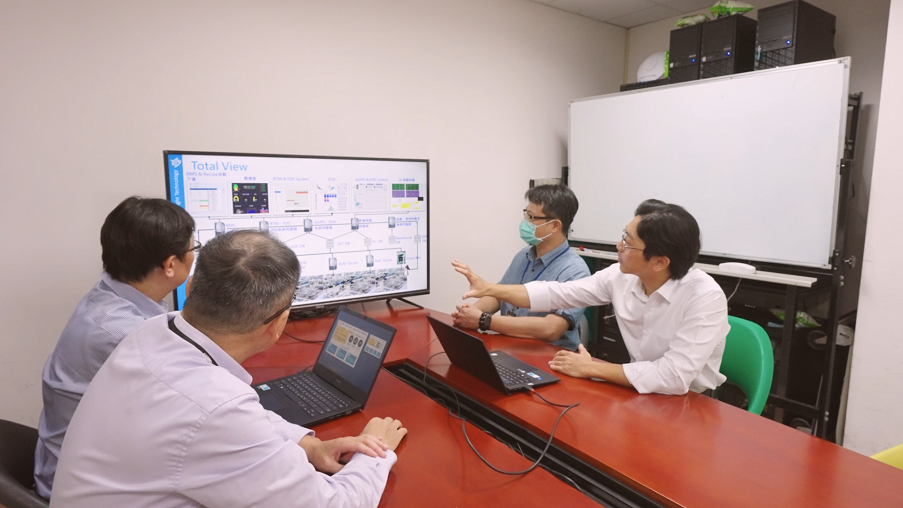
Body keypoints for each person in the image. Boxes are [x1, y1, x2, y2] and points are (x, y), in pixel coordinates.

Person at [50, 230, 407, 508]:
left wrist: (308, 445)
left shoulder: (152, 332)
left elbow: (233, 422)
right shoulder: (214, 407)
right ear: (278, 323)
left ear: (191, 286)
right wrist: (374, 453)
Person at [453, 199, 729, 395]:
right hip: (636, 387)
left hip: (691, 400)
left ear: (659, 262)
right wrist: (490, 288)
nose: (618, 246)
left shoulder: (704, 297)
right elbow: (558, 293)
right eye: (623, 236)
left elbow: (674, 376)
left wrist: (591, 368)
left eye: (628, 242)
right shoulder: (619, 276)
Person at [34, 196, 196, 499]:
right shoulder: (126, 334)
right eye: (192, 249)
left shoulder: (108, 296)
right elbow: (199, 406)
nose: (194, 255)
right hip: (84, 490)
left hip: (77, 460)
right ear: (170, 265)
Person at [451, 184, 590, 350]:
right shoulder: (524, 255)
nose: (526, 222)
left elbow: (551, 329)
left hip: (549, 356)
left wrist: (483, 320)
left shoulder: (576, 271)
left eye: (532, 217)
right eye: (526, 214)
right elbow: (498, 296)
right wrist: (468, 314)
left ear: (555, 225)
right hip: (509, 347)